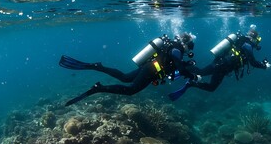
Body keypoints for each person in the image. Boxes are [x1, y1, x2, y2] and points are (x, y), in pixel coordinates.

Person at [60, 33, 199, 106]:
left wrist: (186, 66)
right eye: (190, 45)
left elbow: (174, 66)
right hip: (152, 70)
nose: (190, 49)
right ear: (185, 43)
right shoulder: (177, 50)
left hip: (150, 66)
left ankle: (98, 67)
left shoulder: (173, 47)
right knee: (131, 90)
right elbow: (179, 69)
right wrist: (191, 76)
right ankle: (99, 88)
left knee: (125, 78)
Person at [168, 26, 271, 101]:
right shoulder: (247, 45)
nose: (257, 44)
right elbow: (253, 63)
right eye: (257, 41)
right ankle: (190, 81)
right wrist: (264, 66)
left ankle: (182, 68)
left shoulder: (240, 40)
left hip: (219, 62)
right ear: (254, 38)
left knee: (201, 71)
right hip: (222, 67)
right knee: (211, 87)